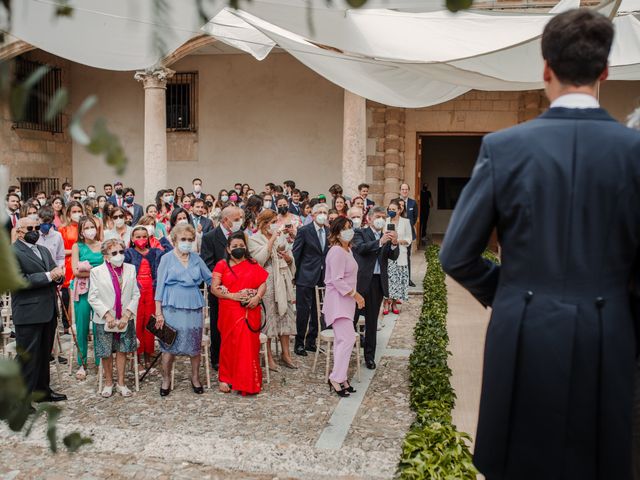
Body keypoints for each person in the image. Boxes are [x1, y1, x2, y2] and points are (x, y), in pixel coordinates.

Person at [440, 9, 640, 480]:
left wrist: (507, 294)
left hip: (523, 328)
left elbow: (457, 254)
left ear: (545, 68)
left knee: (518, 463)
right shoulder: (634, 154)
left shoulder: (503, 148)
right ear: (606, 72)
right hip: (608, 329)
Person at [11, 217, 67, 401]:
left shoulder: (43, 250)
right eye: (30, 228)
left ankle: (42, 391)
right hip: (28, 313)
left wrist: (58, 275)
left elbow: (53, 272)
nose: (35, 230)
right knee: (27, 357)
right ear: (19, 231)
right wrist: (48, 276)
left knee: (44, 355)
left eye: (37, 227)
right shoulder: (12, 252)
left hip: (48, 309)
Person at [154, 223, 212, 396]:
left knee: (194, 345)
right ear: (174, 240)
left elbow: (210, 278)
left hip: (193, 305)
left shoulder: (196, 258)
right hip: (170, 306)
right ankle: (166, 379)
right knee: (168, 345)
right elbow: (159, 287)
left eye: (189, 239)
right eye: (183, 239)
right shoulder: (166, 258)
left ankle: (195, 378)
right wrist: (158, 313)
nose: (186, 242)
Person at [212, 231, 268, 395]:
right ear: (228, 249)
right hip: (230, 311)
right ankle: (226, 378)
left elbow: (262, 283)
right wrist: (232, 296)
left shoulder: (253, 263)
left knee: (249, 346)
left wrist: (257, 297)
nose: (238, 248)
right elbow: (214, 288)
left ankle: (248, 381)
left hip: (251, 310)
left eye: (241, 246)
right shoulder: (222, 265)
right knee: (229, 344)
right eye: (235, 246)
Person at [88, 238, 140, 398]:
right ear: (106, 256)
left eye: (121, 252)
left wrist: (127, 315)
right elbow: (93, 297)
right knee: (106, 352)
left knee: (123, 350)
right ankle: (109, 382)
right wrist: (107, 314)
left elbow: (135, 294)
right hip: (104, 319)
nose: (119, 255)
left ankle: (121, 383)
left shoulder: (130, 269)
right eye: (114, 253)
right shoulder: (96, 272)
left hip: (125, 318)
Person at [248, 210, 297, 370]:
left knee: (285, 315)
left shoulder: (281, 237)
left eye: (277, 221)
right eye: (273, 221)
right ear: (264, 223)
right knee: (268, 316)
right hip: (267, 281)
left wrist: (289, 258)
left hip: (282, 279)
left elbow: (289, 256)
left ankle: (286, 354)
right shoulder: (254, 239)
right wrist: (272, 241)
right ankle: (268, 356)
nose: (276, 224)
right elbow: (259, 260)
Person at [352, 207, 398, 369]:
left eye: (383, 217)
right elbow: (360, 249)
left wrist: (393, 243)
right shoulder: (360, 233)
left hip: (378, 282)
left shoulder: (386, 235)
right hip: (361, 282)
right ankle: (347, 350)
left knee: (372, 321)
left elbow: (393, 256)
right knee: (353, 318)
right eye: (378, 217)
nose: (381, 220)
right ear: (370, 219)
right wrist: (380, 242)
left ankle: (369, 357)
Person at [323, 216, 364, 397]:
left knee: (343, 341)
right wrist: (356, 295)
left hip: (346, 303)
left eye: (350, 227)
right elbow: (336, 280)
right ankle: (335, 377)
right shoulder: (336, 252)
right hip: (338, 302)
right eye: (345, 228)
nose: (349, 230)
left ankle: (342, 377)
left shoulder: (349, 250)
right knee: (347, 340)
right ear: (337, 233)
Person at [201, 206, 245, 369]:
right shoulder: (209, 237)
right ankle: (217, 358)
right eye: (236, 219)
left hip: (239, 288)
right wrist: (223, 280)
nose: (239, 222)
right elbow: (208, 263)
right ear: (225, 220)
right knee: (218, 324)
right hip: (220, 289)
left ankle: (237, 355)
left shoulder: (240, 236)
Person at [125, 226, 166, 373]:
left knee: (150, 322)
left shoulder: (155, 253)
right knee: (137, 323)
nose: (141, 239)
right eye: (137, 237)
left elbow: (168, 250)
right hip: (136, 291)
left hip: (151, 290)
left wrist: (163, 239)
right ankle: (137, 357)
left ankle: (149, 355)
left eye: (144, 236)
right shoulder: (128, 253)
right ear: (132, 239)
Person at [292, 203, 330, 356]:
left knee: (317, 311)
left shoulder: (329, 231)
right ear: (313, 215)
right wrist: (295, 276)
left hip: (323, 277)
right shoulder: (304, 231)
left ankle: (311, 341)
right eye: (319, 212)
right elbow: (296, 254)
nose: (322, 214)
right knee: (303, 311)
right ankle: (299, 343)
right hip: (305, 277)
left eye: (324, 212)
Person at [71, 216, 104, 380]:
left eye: (93, 226)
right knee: (82, 327)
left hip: (100, 291)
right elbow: (76, 271)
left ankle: (100, 362)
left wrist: (88, 270)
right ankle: (82, 363)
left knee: (99, 327)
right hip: (83, 290)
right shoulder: (77, 246)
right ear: (81, 232)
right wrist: (97, 271)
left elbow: (108, 268)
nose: (91, 230)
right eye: (87, 227)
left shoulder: (102, 245)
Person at [59, 201, 84, 334]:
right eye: (74, 212)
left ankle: (81, 324)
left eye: (79, 211)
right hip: (68, 264)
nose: (77, 214)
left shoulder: (85, 227)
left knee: (81, 295)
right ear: (69, 213)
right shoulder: (62, 229)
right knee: (67, 296)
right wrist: (74, 251)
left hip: (83, 263)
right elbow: (59, 250)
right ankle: (68, 324)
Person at [384, 199, 412, 315]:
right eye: (389, 209)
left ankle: (394, 302)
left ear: (399, 210)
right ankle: (386, 302)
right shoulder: (385, 221)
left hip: (400, 254)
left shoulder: (405, 222)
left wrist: (397, 241)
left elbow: (409, 239)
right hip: (387, 254)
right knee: (388, 280)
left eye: (393, 209)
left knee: (397, 280)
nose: (391, 211)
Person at [399, 183, 418, 287]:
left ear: (408, 190)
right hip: (397, 234)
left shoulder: (413, 203)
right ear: (400, 190)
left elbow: (415, 218)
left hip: (408, 235)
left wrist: (407, 228)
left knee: (407, 256)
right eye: (403, 189)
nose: (404, 191)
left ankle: (408, 279)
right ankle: (398, 278)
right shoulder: (395, 202)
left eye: (406, 189)